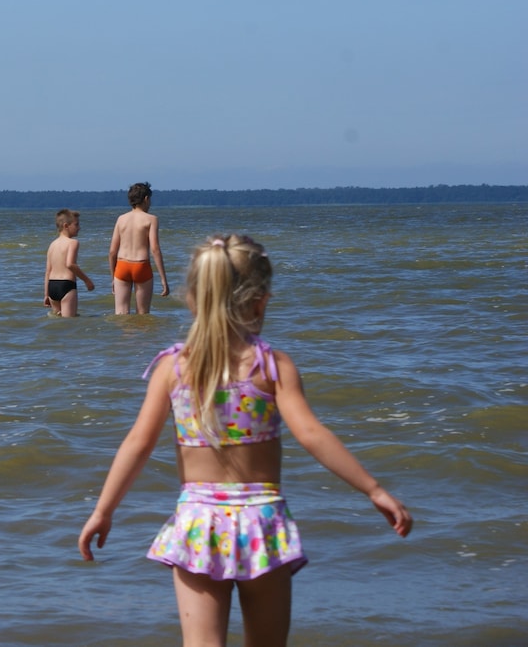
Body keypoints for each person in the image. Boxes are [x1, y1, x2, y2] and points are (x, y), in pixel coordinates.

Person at [78, 234, 413, 646]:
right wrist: (374, 489)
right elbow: (311, 434)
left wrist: (103, 510)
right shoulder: (271, 366)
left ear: (192, 299)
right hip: (262, 521)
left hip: (199, 521)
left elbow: (138, 443)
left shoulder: (173, 368)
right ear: (260, 301)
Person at [109, 181, 169, 314]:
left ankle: (125, 335)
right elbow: (155, 249)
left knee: (120, 313)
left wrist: (113, 277)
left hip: (122, 266)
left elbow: (112, 251)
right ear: (146, 199)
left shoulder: (121, 219)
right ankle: (140, 335)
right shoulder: (151, 219)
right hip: (141, 266)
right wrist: (163, 280)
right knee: (142, 314)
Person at [43, 209, 95, 317]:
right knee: (69, 322)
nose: (79, 228)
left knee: (57, 321)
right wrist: (87, 281)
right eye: (76, 224)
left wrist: (46, 294)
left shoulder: (52, 245)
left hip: (52, 286)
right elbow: (70, 264)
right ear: (66, 226)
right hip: (66, 285)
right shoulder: (73, 243)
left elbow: (48, 271)